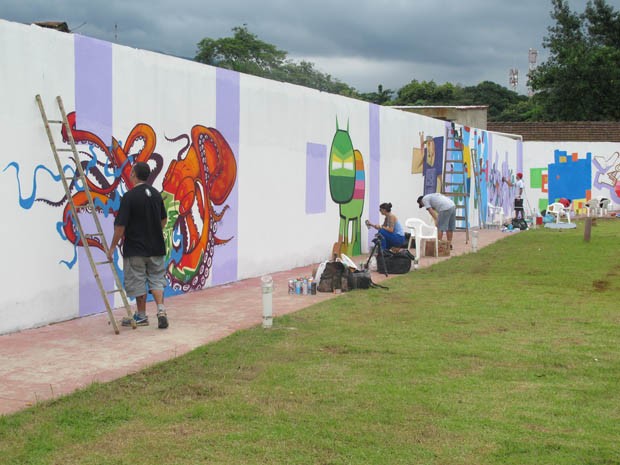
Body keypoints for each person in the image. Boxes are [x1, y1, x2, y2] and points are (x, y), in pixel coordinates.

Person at [107, 161, 169, 329]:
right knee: (156, 279)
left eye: (131, 171)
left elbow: (120, 226)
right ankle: (161, 310)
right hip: (156, 247)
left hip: (136, 249)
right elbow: (164, 219)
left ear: (134, 174)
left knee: (138, 280)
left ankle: (141, 316)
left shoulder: (129, 197)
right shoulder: (156, 194)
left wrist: (112, 247)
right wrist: (154, 230)